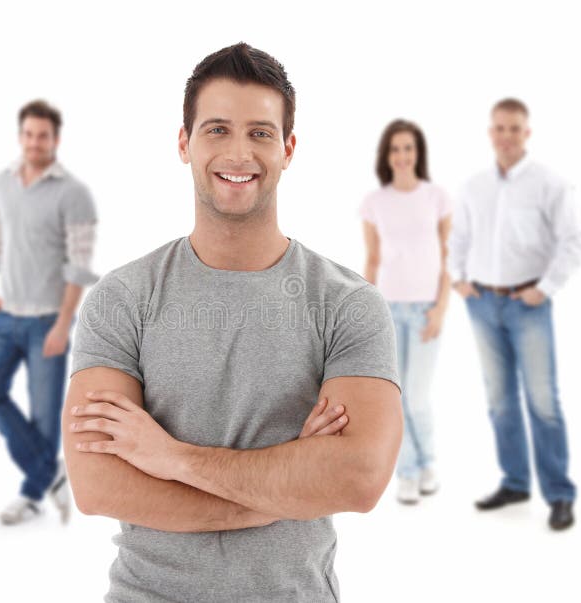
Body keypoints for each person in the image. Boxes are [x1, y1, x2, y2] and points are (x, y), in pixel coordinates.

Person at [63, 43, 403, 602]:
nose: (239, 152)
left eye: (261, 133)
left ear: (288, 148)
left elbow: (360, 479)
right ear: (185, 143)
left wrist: (171, 458)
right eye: (217, 129)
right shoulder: (122, 298)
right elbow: (97, 484)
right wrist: (291, 478)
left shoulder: (348, 304)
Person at [448, 98, 581, 531]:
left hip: (528, 304)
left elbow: (575, 241)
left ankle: (560, 495)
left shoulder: (550, 184)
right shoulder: (473, 186)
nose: (506, 136)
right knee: (499, 400)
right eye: (499, 128)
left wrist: (544, 289)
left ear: (527, 133)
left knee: (543, 402)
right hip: (482, 303)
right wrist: (458, 279)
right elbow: (459, 237)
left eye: (514, 128)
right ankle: (514, 481)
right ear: (490, 132)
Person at [0, 100, 98, 525]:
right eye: (28, 134)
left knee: (45, 419)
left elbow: (78, 264)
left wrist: (64, 323)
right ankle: (50, 474)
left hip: (49, 319)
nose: (34, 142)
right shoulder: (1, 184)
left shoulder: (73, 193)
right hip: (6, 317)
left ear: (55, 140)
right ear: (20, 135)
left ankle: (30, 494)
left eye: (42, 135)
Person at [360, 119, 452, 504]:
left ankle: (428, 461)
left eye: (408, 148)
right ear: (387, 155)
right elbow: (373, 259)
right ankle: (409, 472)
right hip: (389, 310)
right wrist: (367, 311)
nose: (402, 156)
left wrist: (441, 309)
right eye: (395, 149)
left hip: (426, 308)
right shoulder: (374, 203)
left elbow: (450, 257)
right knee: (395, 399)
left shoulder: (436, 197)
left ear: (418, 153)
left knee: (417, 396)